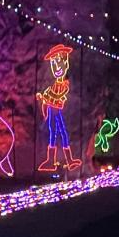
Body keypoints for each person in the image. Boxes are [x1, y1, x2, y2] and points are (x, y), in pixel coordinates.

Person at [36, 44, 82, 172]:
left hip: (56, 109)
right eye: (53, 64)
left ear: (66, 63)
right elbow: (49, 93)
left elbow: (57, 94)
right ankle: (53, 160)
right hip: (52, 109)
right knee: (54, 132)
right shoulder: (55, 84)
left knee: (60, 132)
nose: (56, 68)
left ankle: (66, 160)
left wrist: (46, 97)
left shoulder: (64, 84)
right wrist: (43, 96)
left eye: (59, 63)